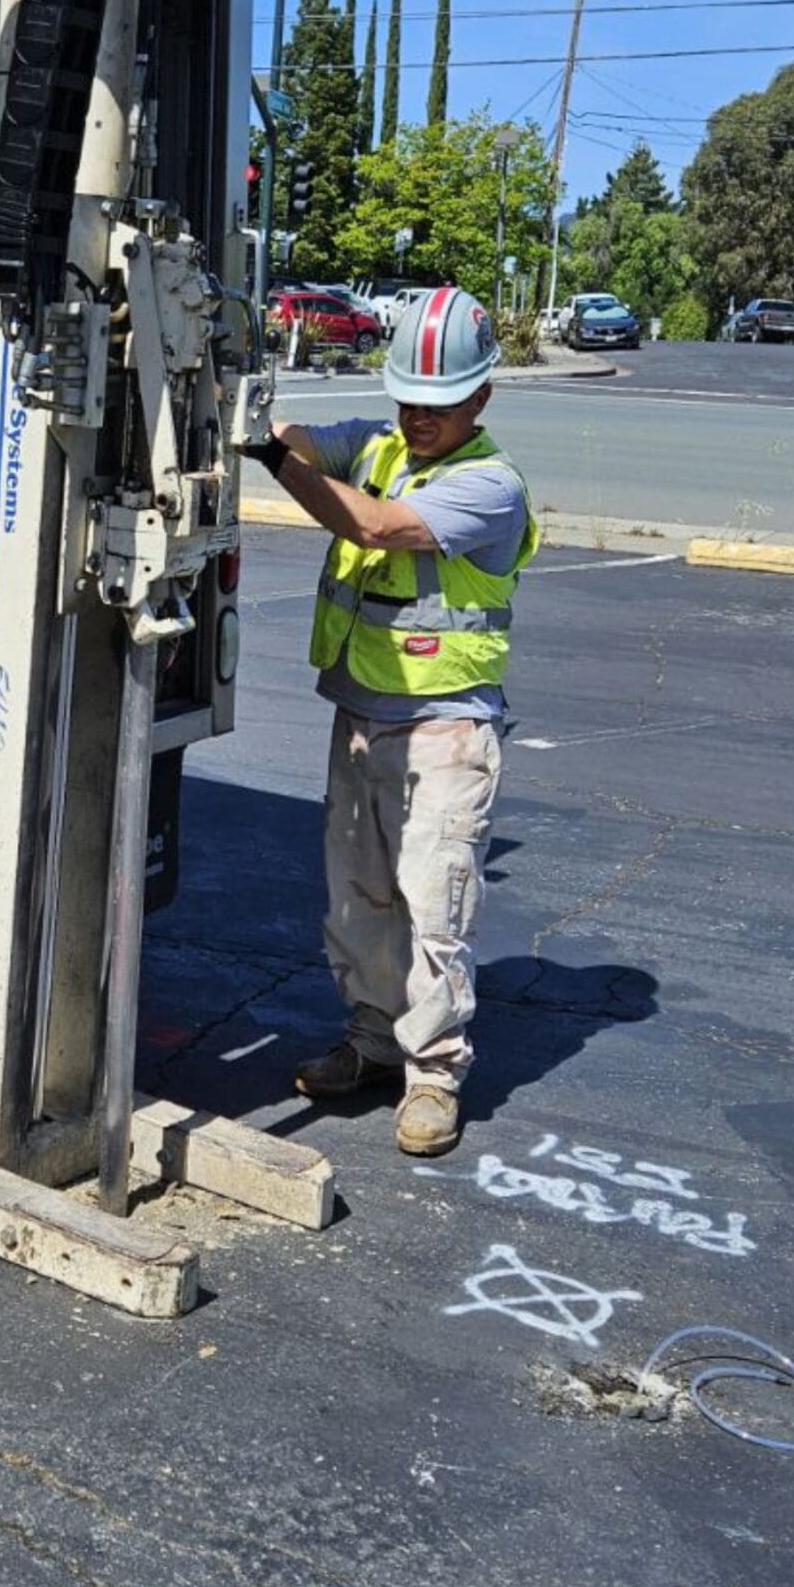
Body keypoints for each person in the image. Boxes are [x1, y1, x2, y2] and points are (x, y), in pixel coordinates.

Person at [241, 285, 536, 1157]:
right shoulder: (381, 442)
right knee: (360, 898)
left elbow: (371, 523)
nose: (418, 416)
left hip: (445, 730)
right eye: (408, 397)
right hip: (364, 718)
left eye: (439, 404)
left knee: (434, 909)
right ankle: (372, 1040)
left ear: (480, 397)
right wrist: (250, 415)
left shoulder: (489, 487)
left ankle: (434, 1075)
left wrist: (267, 453)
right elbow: (303, 441)